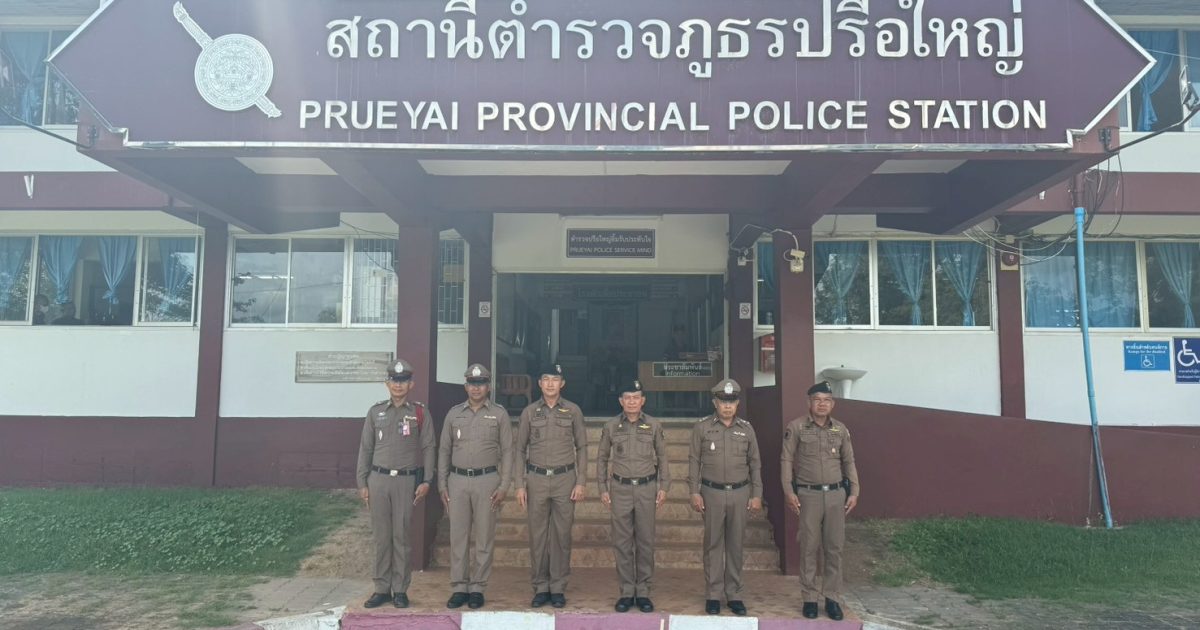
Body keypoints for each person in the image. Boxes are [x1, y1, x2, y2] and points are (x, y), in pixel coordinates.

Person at [354, 358, 435, 609]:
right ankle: (381, 588)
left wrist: (427, 480)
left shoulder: (419, 412)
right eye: (394, 380)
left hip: (405, 481)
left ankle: (400, 589)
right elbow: (365, 448)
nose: (398, 385)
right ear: (386, 383)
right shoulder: (375, 412)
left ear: (411, 384)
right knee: (381, 537)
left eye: (403, 380)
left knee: (401, 536)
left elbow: (429, 447)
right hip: (378, 480)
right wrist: (362, 482)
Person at [780, 381, 861, 621]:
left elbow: (849, 461)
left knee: (834, 548)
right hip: (809, 496)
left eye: (826, 400)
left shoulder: (840, 430)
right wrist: (788, 491)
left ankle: (832, 598)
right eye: (817, 400)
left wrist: (854, 491)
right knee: (809, 547)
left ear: (832, 404)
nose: (822, 404)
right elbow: (786, 460)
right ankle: (809, 598)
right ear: (809, 403)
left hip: (836, 495)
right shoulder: (796, 427)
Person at [439, 364, 513, 610]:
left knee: (484, 537)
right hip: (457, 481)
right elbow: (444, 450)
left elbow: (508, 452)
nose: (476, 388)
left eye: (481, 384)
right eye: (472, 383)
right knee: (458, 536)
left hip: (487, 480)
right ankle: (459, 587)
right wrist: (442, 484)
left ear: (488, 387)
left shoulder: (499, 414)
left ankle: (478, 588)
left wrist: (504, 485)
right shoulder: (453, 414)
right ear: (466, 386)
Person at [514, 363, 587, 609]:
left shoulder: (573, 411)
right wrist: (519, 484)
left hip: (565, 479)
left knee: (561, 535)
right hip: (536, 479)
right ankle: (540, 586)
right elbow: (519, 449)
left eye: (555, 379)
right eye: (546, 379)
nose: (550, 384)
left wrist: (581, 481)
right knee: (538, 536)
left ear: (562, 383)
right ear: (539, 383)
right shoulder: (529, 412)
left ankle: (557, 587)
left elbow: (582, 447)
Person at [687, 379, 762, 616]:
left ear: (737, 403)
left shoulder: (747, 429)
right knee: (713, 544)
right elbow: (694, 461)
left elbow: (755, 464)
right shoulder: (702, 428)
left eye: (731, 402)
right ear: (715, 403)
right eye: (723, 402)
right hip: (712, 493)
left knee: (735, 545)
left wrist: (757, 494)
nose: (727, 406)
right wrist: (694, 491)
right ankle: (713, 594)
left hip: (740, 493)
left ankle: (734, 594)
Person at [596, 379, 669, 613]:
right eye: (627, 398)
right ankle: (627, 592)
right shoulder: (611, 426)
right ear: (621, 401)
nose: (631, 402)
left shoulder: (654, 425)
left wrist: (664, 486)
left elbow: (663, 457)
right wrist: (602, 488)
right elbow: (601, 458)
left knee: (645, 542)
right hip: (620, 489)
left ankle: (643, 591)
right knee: (622, 542)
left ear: (643, 400)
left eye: (636, 398)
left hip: (647, 488)